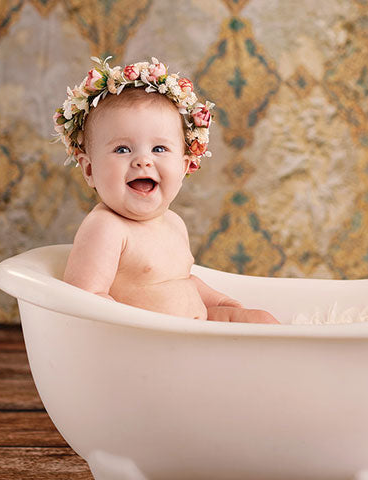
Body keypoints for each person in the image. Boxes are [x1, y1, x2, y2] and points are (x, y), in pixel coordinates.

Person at [53, 55, 280, 324]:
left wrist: (220, 302)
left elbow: (183, 281)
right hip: (148, 340)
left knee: (261, 319)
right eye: (122, 149)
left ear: (185, 166)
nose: (143, 160)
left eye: (159, 148)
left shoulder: (173, 223)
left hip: (195, 328)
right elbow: (85, 300)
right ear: (89, 169)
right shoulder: (106, 228)